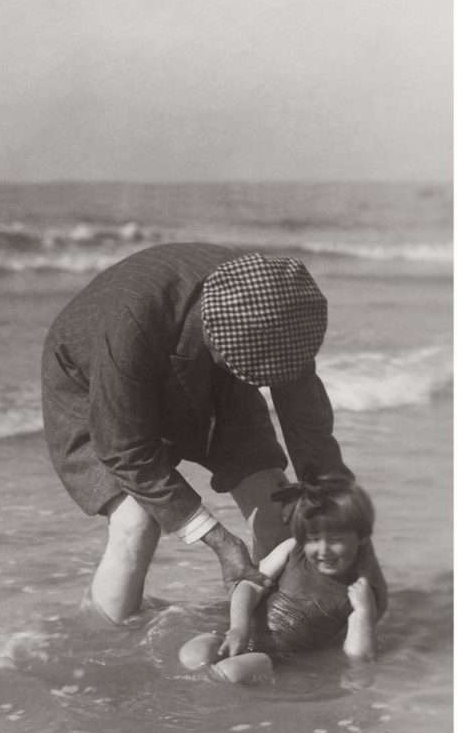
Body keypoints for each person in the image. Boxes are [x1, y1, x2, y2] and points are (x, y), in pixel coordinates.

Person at [41, 242, 357, 624]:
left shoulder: (279, 309)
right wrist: (221, 542)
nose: (257, 380)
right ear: (214, 334)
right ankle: (105, 649)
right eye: (247, 370)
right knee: (136, 525)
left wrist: (331, 504)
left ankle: (276, 624)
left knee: (276, 504)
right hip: (91, 379)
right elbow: (126, 454)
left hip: (210, 373)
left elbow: (307, 422)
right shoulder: (133, 318)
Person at [179, 472, 388, 682]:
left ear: (361, 537)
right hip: (237, 637)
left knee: (229, 673)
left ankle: (209, 697)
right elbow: (249, 586)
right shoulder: (293, 550)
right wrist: (238, 628)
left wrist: (363, 612)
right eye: (314, 539)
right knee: (194, 654)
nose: (324, 550)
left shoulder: (358, 591)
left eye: (335, 540)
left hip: (275, 660)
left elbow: (359, 657)